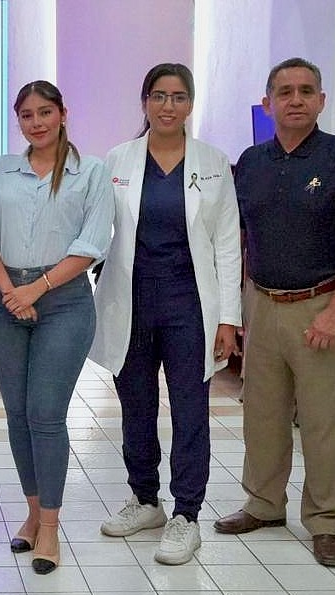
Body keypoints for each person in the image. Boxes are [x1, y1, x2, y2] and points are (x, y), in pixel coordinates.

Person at [215, 57, 335, 567]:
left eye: (306, 91)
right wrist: (235, 308)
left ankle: (327, 520)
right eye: (285, 91)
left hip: (321, 304)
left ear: (321, 101)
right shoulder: (251, 162)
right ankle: (264, 505)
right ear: (267, 103)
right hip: (262, 303)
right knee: (262, 414)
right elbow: (236, 238)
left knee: (323, 420)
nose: (296, 99)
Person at [90, 63, 241, 565]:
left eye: (178, 97)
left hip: (189, 303)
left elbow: (227, 244)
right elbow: (97, 230)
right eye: (158, 96)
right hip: (131, 300)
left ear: (190, 104)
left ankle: (187, 515)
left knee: (190, 409)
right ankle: (145, 500)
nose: (168, 106)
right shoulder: (118, 159)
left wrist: (229, 318)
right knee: (135, 405)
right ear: (145, 102)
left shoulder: (214, 163)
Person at [0, 81, 114, 574]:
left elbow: (92, 242)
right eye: (27, 115)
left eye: (45, 112)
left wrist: (34, 290)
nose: (36, 123)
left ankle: (52, 527)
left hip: (63, 301)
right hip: (2, 298)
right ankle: (34, 513)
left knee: (46, 412)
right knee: (18, 413)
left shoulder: (90, 172)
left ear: (63, 113)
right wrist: (9, 292)